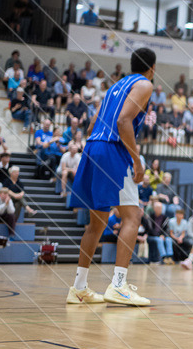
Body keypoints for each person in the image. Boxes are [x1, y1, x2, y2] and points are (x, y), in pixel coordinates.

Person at [66, 48, 156, 307]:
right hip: (112, 149)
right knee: (133, 216)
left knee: (96, 224)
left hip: (93, 147)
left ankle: (79, 288)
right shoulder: (144, 84)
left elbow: (93, 126)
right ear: (152, 67)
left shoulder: (116, 86)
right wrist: (136, 159)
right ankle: (118, 285)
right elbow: (123, 121)